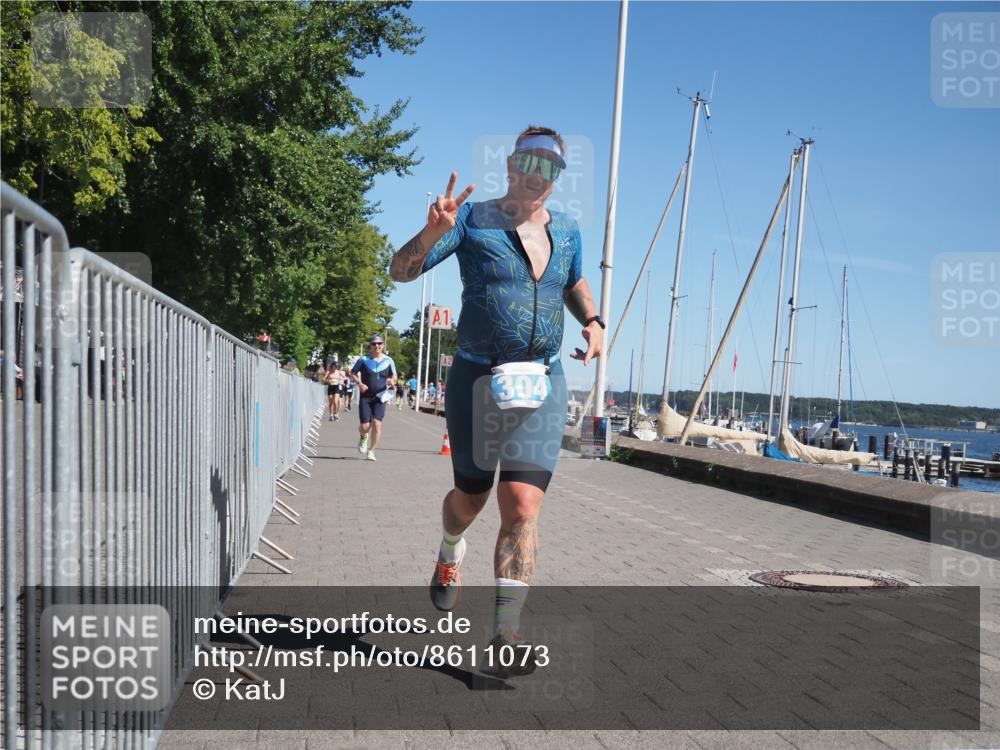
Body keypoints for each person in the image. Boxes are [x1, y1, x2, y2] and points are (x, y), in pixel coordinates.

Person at [388, 125, 604, 677]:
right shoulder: (471, 218)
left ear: (558, 178)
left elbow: (573, 282)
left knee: (523, 507)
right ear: (511, 164)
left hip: (543, 382)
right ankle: (448, 548)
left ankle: (506, 634)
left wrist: (594, 321)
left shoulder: (571, 230)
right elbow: (400, 270)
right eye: (530, 162)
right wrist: (431, 231)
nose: (538, 174)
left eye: (551, 167)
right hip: (479, 379)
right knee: (471, 496)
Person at [351, 335, 397, 461]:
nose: (377, 346)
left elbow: (394, 376)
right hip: (366, 396)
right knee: (365, 426)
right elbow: (353, 373)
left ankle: (371, 450)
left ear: (383, 345)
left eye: (379, 343)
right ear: (370, 346)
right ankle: (363, 436)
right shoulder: (363, 360)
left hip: (380, 397)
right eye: (374, 344)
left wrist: (392, 381)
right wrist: (359, 383)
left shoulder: (389, 360)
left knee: (377, 424)